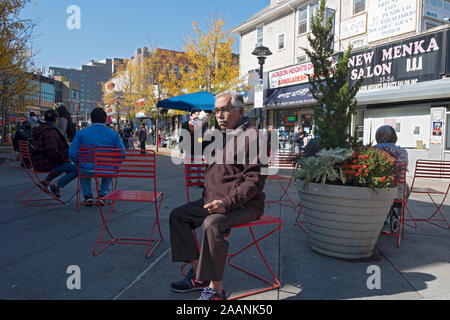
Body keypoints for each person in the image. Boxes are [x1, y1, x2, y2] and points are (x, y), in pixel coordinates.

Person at [169, 92, 266, 300]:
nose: (219, 115)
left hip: (244, 204)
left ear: (240, 111)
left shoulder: (252, 136)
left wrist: (226, 203)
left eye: (224, 110)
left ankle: (216, 289)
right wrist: (192, 130)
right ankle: (199, 274)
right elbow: (190, 149)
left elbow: (255, 181)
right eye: (216, 111)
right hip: (213, 200)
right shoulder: (219, 135)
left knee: (212, 224)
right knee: (178, 216)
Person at [69, 108, 125, 206]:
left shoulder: (82, 133)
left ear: (92, 119)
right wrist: (115, 164)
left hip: (86, 168)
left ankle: (87, 195)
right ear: (105, 120)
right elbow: (122, 154)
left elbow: (72, 153)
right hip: (106, 169)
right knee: (109, 169)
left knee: (82, 169)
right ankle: (102, 195)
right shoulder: (114, 134)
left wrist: (78, 162)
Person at [31, 110, 78, 198]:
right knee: (75, 169)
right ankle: (56, 186)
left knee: (65, 163)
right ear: (56, 119)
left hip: (38, 160)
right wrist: (65, 158)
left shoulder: (41, 129)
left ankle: (46, 181)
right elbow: (52, 152)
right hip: (44, 162)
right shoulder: (50, 132)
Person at [374, 125, 409, 234]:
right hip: (398, 191)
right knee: (405, 188)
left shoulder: (375, 149)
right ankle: (394, 216)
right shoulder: (402, 151)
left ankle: (382, 223)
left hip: (378, 189)